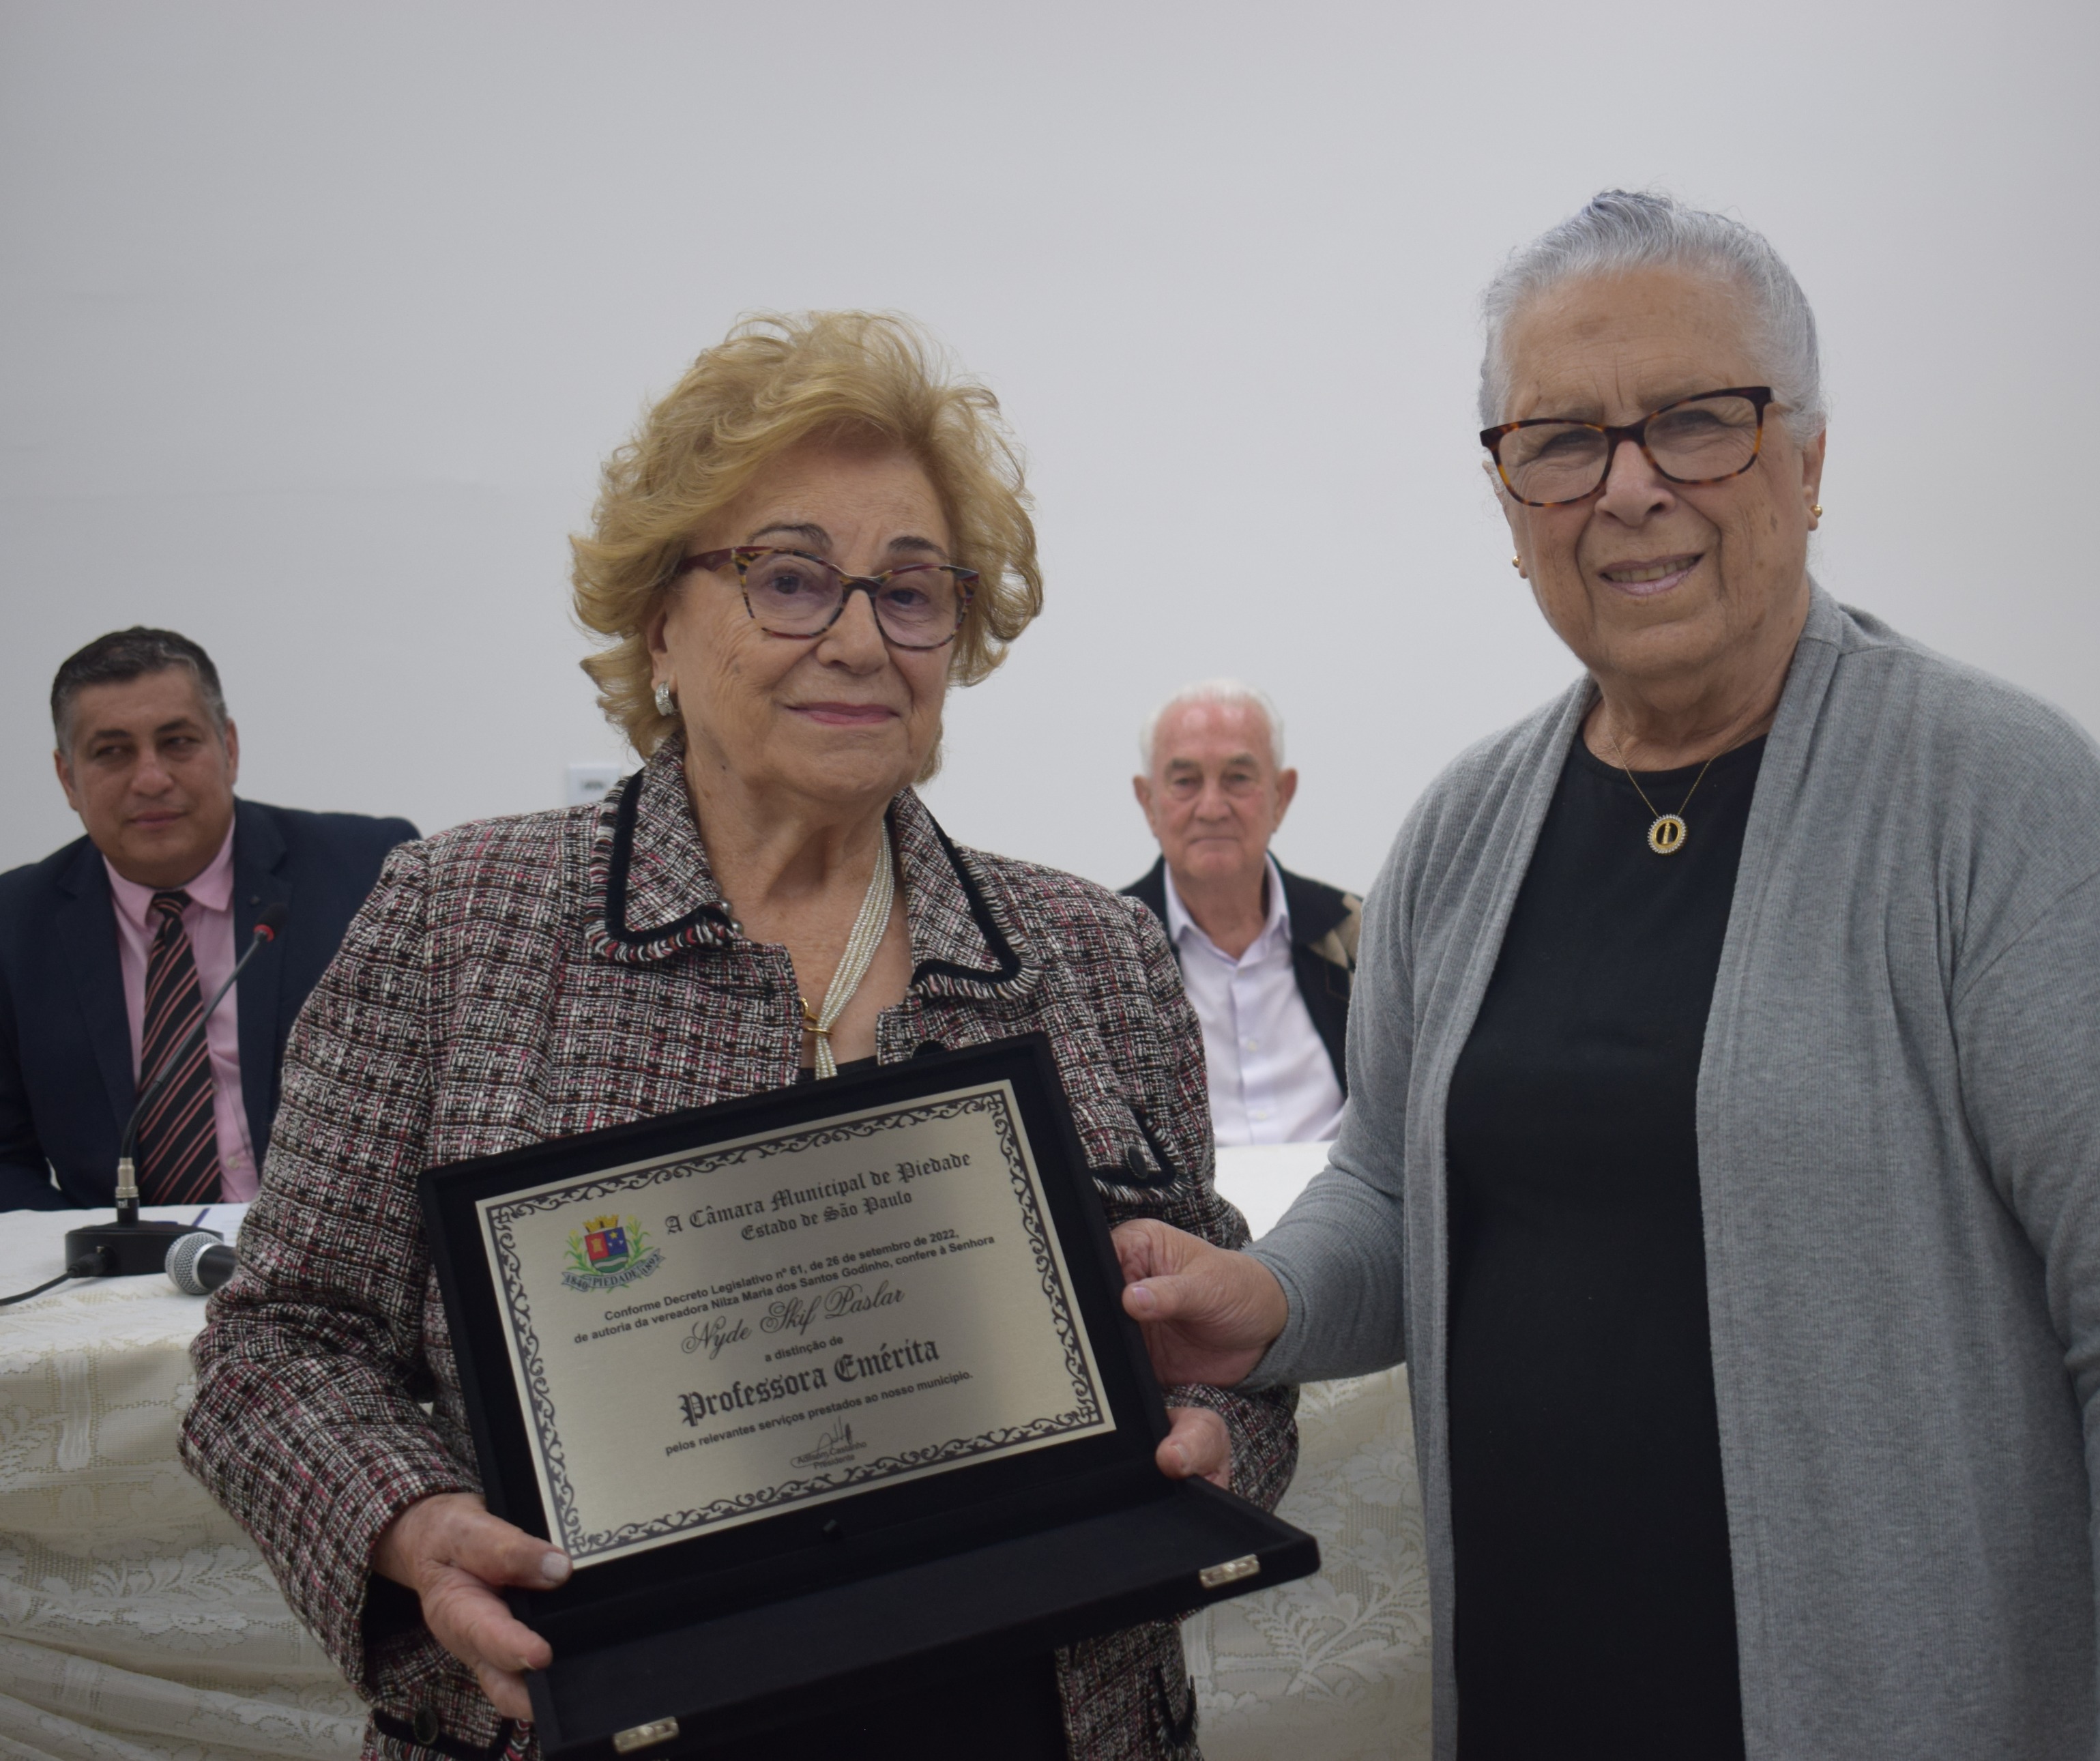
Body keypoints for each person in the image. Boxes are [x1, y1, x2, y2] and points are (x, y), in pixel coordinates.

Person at [1112, 191, 2100, 1758]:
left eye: (1694, 422)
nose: (1630, 486)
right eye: (1563, 439)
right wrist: (1265, 1295)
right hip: (1539, 1695)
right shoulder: (1462, 830)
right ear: (1511, 497)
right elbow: (1400, 1184)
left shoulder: (2002, 797)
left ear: (1805, 460)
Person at [181, 312, 1294, 1761]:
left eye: (911, 591)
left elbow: (1219, 1344)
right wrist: (410, 1521)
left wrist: (1224, 1441)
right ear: (659, 615)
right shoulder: (462, 924)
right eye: (787, 578)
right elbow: (277, 1346)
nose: (855, 639)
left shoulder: (1091, 954)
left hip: (1042, 1716)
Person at [0, 628, 415, 1210]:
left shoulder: (369, 870)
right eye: (112, 751)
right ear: (68, 777)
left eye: (177, 742)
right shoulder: (15, 923)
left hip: (336, 1257)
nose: (151, 778)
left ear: (229, 748)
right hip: (119, 1278)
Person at [1124, 680, 1360, 1146]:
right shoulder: (1103, 949)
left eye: (1238, 778)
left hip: (1342, 1211)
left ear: (1281, 796)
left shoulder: (1358, 934)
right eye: (1186, 781)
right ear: (1149, 803)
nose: (1212, 808)